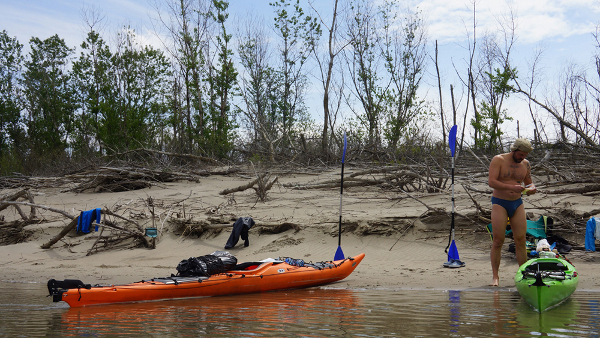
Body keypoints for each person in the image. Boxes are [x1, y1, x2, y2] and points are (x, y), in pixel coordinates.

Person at [488, 138, 537, 286]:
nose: (523, 157)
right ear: (514, 150)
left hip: (517, 203)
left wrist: (532, 188)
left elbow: (529, 182)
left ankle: (524, 273)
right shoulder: (498, 160)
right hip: (500, 203)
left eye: (525, 155)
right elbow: (491, 182)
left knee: (521, 240)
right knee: (498, 241)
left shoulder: (525, 164)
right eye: (521, 154)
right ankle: (495, 277)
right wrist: (510, 187)